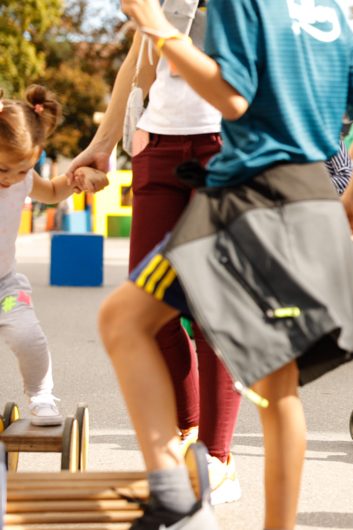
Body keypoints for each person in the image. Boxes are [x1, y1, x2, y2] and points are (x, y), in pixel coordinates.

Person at [100, 0, 353, 527]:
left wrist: (160, 29)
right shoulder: (329, 18)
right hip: (301, 196)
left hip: (245, 197)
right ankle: (227, 503)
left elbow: (232, 98)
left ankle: (178, 493)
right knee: (279, 391)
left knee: (121, 321)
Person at [67, 8, 244, 502]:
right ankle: (187, 432)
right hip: (157, 144)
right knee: (149, 307)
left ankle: (218, 458)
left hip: (225, 145)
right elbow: (136, 60)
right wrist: (103, 144)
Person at [0, 87, 108, 426]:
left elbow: (51, 191)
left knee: (27, 336)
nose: (13, 179)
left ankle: (41, 396)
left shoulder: (22, 176)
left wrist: (77, 179)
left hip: (4, 289)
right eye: (4, 169)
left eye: (23, 170)